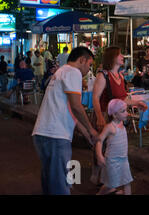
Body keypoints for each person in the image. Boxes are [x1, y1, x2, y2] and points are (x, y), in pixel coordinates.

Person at [31, 47, 100, 195]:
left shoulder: (61, 71)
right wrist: (91, 129)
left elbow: (69, 109)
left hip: (43, 133)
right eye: (89, 65)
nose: (89, 70)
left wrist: (87, 133)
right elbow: (76, 106)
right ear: (82, 60)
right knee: (60, 184)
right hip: (56, 135)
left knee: (50, 181)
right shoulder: (73, 72)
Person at [90, 46, 148, 185]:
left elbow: (123, 99)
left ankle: (110, 176)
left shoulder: (120, 76)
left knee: (113, 147)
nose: (123, 56)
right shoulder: (103, 75)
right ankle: (96, 174)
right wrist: (99, 116)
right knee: (102, 145)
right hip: (105, 115)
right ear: (112, 57)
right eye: (120, 54)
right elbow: (95, 98)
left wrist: (136, 103)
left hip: (117, 118)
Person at [95, 99, 133, 195]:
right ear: (114, 115)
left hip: (124, 159)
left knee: (127, 181)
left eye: (126, 110)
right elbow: (99, 140)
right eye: (123, 111)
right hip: (112, 161)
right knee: (110, 184)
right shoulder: (110, 127)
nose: (126, 113)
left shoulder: (122, 124)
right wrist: (99, 155)